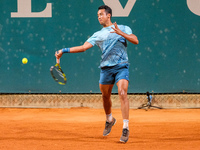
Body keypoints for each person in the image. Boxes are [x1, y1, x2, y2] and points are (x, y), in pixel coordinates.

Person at [55, 5, 139, 143]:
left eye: (101, 14)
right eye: (98, 15)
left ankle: (125, 127)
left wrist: (121, 33)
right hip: (106, 69)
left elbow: (135, 40)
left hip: (121, 66)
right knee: (105, 96)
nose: (99, 17)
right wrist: (64, 50)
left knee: (122, 93)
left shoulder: (124, 28)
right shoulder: (97, 34)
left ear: (108, 15)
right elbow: (83, 47)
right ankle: (109, 120)